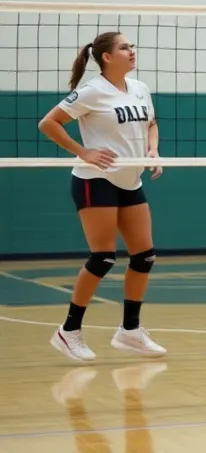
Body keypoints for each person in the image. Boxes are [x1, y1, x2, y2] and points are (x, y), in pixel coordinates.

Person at [37, 32, 168, 362]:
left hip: (130, 179)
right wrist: (84, 152)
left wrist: (152, 149)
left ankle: (130, 331)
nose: (132, 51)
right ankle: (68, 332)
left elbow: (151, 123)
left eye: (132, 46)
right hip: (94, 180)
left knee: (144, 256)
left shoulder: (139, 89)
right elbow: (48, 123)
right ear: (107, 57)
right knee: (103, 257)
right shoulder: (92, 91)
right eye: (125, 47)